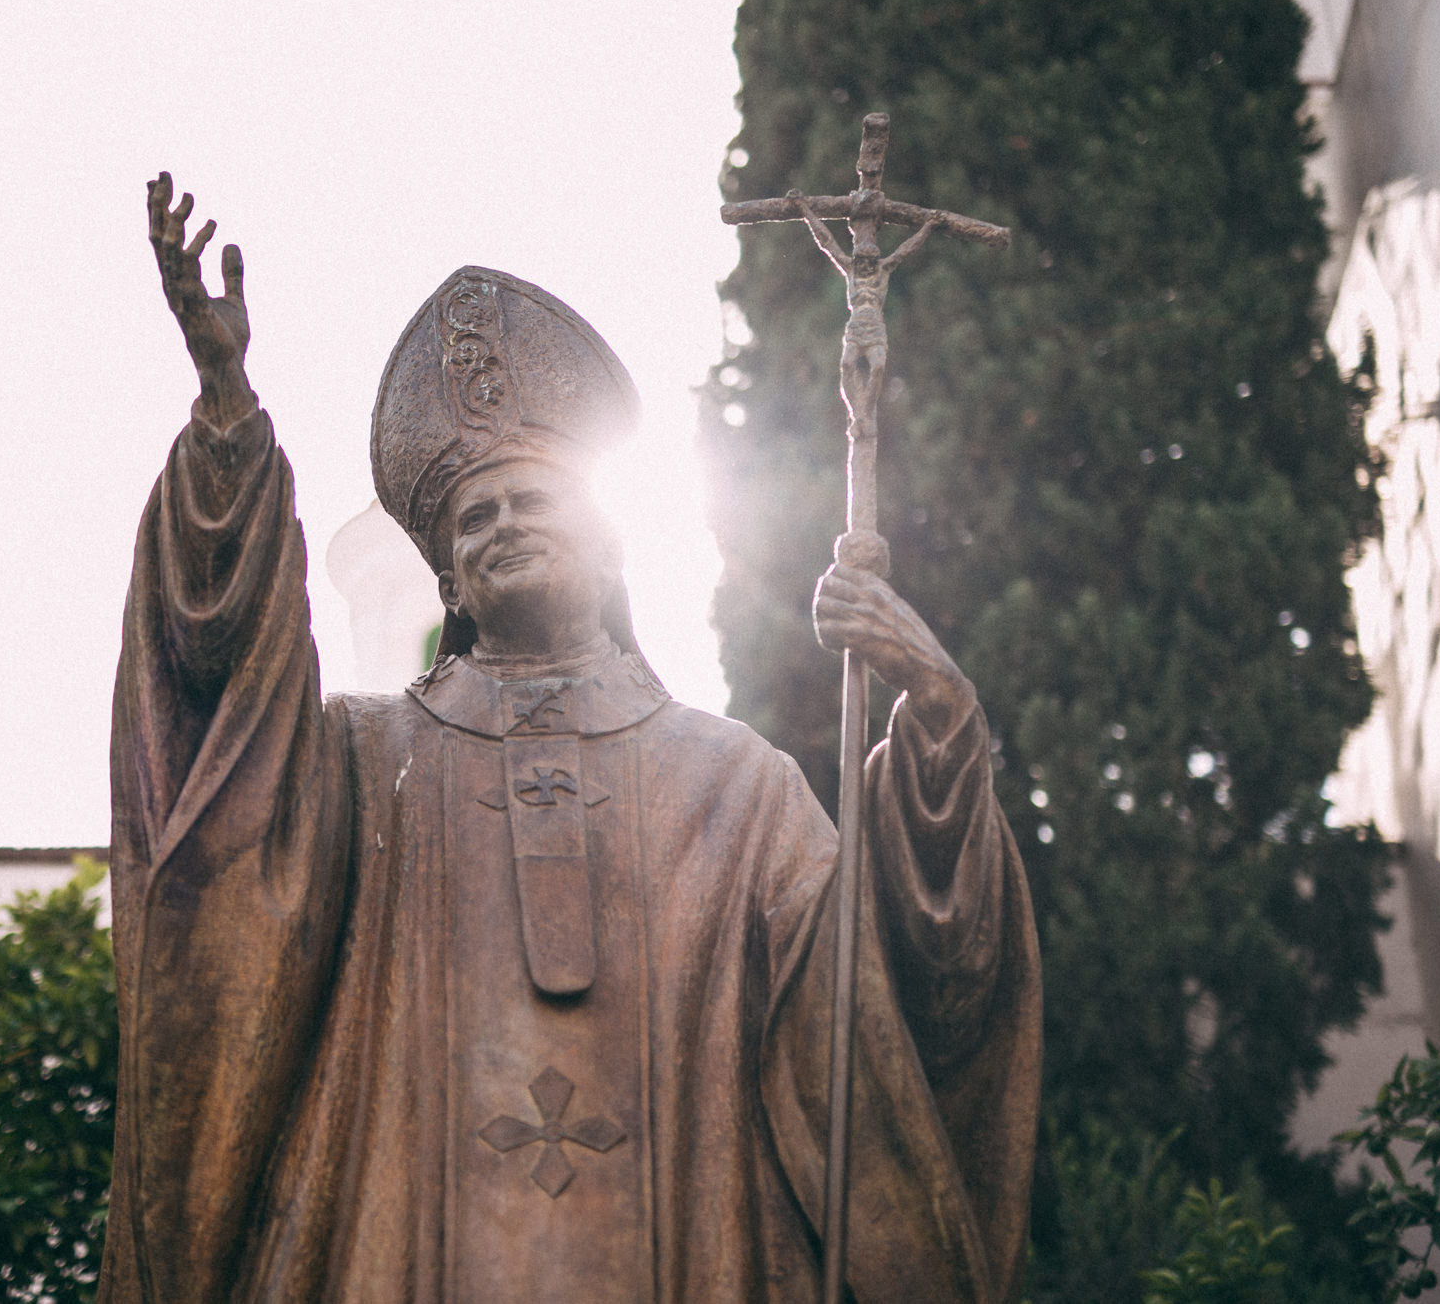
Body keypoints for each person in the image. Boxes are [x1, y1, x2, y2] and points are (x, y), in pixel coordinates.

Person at [97, 175, 1040, 1304]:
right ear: (446, 578)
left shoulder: (733, 787)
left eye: (533, 502)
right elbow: (221, 746)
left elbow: (867, 1015)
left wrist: (935, 726)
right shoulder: (358, 762)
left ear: (607, 547)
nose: (502, 527)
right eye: (473, 520)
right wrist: (224, 421)